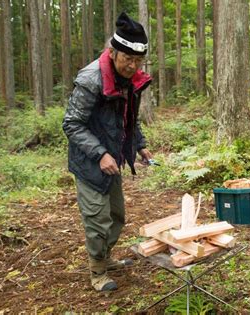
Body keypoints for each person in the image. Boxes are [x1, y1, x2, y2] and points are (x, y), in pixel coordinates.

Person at [62, 12, 153, 292]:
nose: (132, 66)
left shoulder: (130, 80)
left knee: (117, 215)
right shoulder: (92, 79)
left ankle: (106, 256)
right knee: (98, 219)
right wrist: (100, 153)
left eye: (138, 60)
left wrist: (139, 144)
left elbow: (128, 117)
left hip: (112, 160)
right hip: (90, 161)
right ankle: (98, 271)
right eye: (128, 59)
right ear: (113, 53)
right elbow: (71, 124)